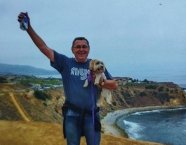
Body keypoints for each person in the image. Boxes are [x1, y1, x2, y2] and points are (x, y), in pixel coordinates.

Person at [17, 12, 118, 145]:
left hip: (92, 115)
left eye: (84, 46)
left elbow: (114, 85)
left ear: (89, 49)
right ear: (72, 50)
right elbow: (43, 48)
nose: (81, 49)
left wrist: (101, 81)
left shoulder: (96, 65)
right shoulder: (65, 63)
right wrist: (29, 28)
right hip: (71, 114)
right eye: (78, 47)